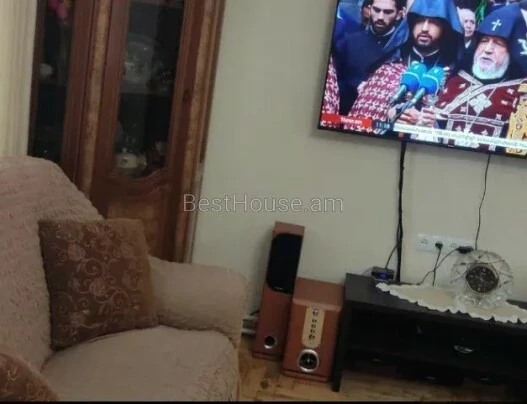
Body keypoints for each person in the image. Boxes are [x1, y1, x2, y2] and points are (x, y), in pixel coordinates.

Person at [399, 6, 527, 152]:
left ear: (513, 50)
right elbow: (435, 129)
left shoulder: (522, 93)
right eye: (484, 41)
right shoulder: (454, 79)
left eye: (498, 43)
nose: (487, 50)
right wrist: (426, 124)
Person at [342, 0, 465, 135]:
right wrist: (389, 114)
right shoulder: (388, 67)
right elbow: (363, 118)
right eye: (420, 21)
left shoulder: (453, 76)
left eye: (433, 22)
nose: (424, 28)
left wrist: (430, 123)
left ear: (445, 28)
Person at [332, 0, 406, 115]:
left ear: (399, 14)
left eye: (388, 12)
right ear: (370, 9)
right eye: (376, 10)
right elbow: (333, 82)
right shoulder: (349, 42)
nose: (380, 17)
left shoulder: (403, 48)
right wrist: (356, 85)